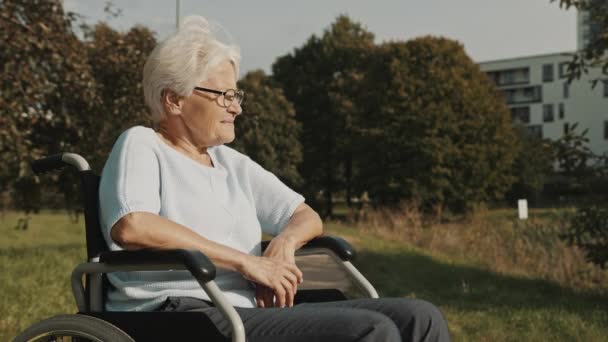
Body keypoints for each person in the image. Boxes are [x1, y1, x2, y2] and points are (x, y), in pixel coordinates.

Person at [98, 15, 450, 342]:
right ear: (173, 100)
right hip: (178, 312)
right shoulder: (142, 144)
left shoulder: (230, 163)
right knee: (371, 332)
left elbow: (306, 216)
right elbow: (133, 226)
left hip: (245, 309)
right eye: (224, 96)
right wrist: (247, 262)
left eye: (236, 95)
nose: (236, 107)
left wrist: (283, 247)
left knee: (421, 317)